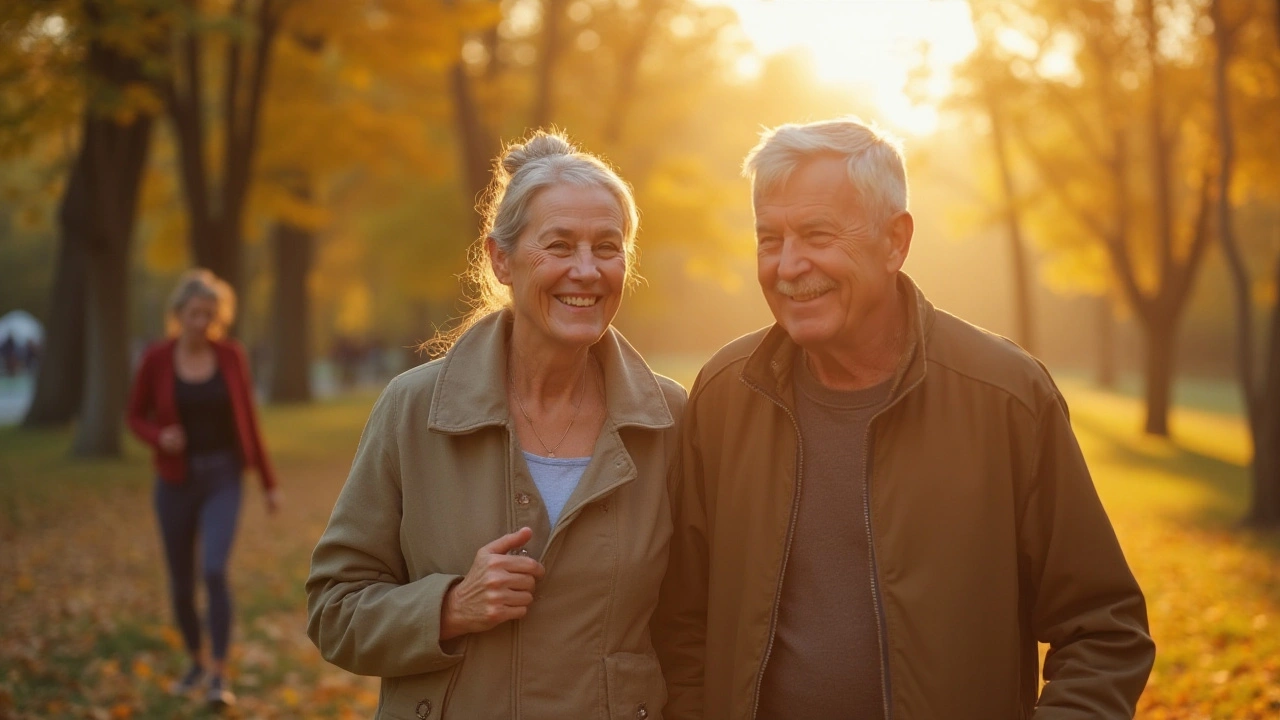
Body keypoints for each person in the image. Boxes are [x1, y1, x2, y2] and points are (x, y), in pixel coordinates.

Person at [653, 118, 1155, 719]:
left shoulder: (1006, 398)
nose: (788, 265)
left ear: (895, 241)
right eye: (769, 239)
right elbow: (681, 623)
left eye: (817, 234)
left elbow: (1104, 630)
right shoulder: (724, 395)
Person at [307, 130, 685, 720]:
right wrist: (450, 606)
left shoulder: (669, 423)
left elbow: (693, 628)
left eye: (607, 247)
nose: (586, 270)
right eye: (559, 245)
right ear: (500, 260)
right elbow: (334, 610)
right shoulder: (413, 410)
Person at [126, 269, 280, 708]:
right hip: (175, 481)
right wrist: (160, 437)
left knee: (213, 570)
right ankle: (194, 661)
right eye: (194, 314)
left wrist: (269, 484)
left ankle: (217, 673)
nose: (202, 323)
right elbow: (134, 415)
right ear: (178, 314)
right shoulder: (156, 358)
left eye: (210, 316)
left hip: (223, 477)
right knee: (180, 582)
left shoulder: (231, 356)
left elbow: (249, 419)